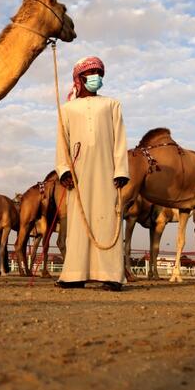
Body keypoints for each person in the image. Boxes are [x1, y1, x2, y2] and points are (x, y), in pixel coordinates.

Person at [55, 56, 128, 292]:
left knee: (108, 220)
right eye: (92, 72)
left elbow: (119, 138)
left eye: (99, 72)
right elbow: (62, 143)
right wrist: (64, 170)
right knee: (78, 222)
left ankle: (112, 276)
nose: (97, 76)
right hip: (79, 173)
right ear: (79, 78)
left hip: (108, 171)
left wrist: (121, 170)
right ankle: (75, 274)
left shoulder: (112, 104)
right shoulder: (67, 109)